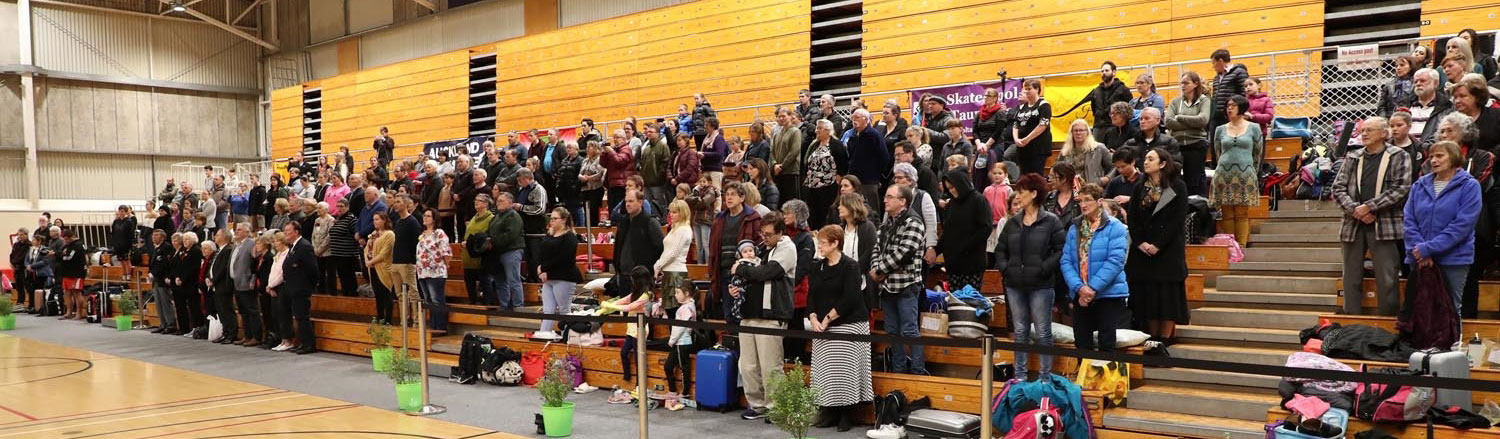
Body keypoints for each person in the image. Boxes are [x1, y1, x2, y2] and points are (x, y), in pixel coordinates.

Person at [1332, 116, 1413, 316]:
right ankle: (1351, 321)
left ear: (1384, 133)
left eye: (1369, 130)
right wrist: (1356, 211)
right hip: (1353, 225)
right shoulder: (1353, 157)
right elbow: (1337, 189)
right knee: (1350, 277)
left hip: (1384, 225)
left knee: (1387, 277)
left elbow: (1401, 189)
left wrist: (1369, 207)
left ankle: (1388, 321)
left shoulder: (1398, 155)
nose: (1364, 133)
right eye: (1362, 130)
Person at [993, 173, 1065, 380]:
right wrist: (1006, 269)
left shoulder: (1051, 221)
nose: (1017, 196)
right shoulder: (1013, 222)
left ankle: (1045, 377)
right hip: (1014, 284)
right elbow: (1000, 250)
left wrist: (1043, 268)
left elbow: (1060, 250)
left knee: (1043, 332)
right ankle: (1020, 376)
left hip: (1041, 285)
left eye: (1022, 192)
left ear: (1034, 194)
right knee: (1020, 331)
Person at [803, 224, 873, 432]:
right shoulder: (817, 267)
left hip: (849, 323)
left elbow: (850, 298)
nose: (819, 247)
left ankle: (846, 414)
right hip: (823, 326)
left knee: (845, 371)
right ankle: (829, 411)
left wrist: (827, 319)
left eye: (823, 243)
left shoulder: (850, 266)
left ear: (835, 244)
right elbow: (811, 295)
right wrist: (813, 318)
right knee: (825, 371)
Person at [1404, 140, 1482, 323]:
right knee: (1420, 308)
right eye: (1431, 156)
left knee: (1451, 308)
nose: (1433, 160)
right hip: (1419, 257)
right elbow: (1409, 220)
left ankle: (1452, 341)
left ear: (1454, 157)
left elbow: (1462, 225)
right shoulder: (1419, 185)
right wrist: (1420, 250)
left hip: (1453, 258)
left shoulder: (1470, 186)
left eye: (1439, 156)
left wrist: (1429, 248)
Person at [728, 212, 796, 421]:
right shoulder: (760, 248)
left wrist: (741, 268)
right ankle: (757, 404)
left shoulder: (787, 248)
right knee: (747, 365)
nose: (764, 238)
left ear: (780, 232)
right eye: (762, 234)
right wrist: (735, 288)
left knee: (770, 365)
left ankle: (776, 406)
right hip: (749, 313)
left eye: (768, 234)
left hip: (771, 315)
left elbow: (768, 273)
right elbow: (748, 276)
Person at [1428, 112, 1496, 319]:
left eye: (1450, 130)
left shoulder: (1482, 157)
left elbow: (1477, 186)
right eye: (1442, 131)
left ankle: (1465, 325)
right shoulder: (1430, 161)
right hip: (1436, 229)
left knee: (1467, 281)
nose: (1444, 134)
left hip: (1472, 227)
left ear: (1464, 133)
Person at [1125, 148, 1190, 347]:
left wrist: (1158, 244)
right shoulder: (1139, 187)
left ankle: (1165, 338)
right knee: (1148, 296)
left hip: (1167, 250)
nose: (1146, 162)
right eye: (1145, 158)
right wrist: (1141, 242)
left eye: (1150, 159)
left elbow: (1177, 219)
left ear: (1162, 164)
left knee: (1167, 296)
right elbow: (1133, 218)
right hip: (1143, 251)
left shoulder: (1177, 186)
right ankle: (1151, 338)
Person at [1061, 184, 1130, 353]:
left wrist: (1091, 288)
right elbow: (1066, 261)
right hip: (1080, 293)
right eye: (1080, 201)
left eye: (1087, 200)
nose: (1083, 205)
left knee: (1107, 344)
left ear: (1099, 202)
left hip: (1107, 294)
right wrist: (1079, 288)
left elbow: (1115, 261)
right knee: (1082, 344)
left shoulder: (1115, 227)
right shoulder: (1075, 227)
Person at [870, 184, 928, 375]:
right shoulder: (887, 222)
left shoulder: (914, 222)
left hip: (907, 285)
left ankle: (918, 372)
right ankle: (898, 371)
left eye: (889, 197)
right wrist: (875, 268)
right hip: (887, 286)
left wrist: (880, 269)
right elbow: (876, 248)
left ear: (903, 201)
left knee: (910, 331)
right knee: (892, 331)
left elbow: (905, 252)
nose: (884, 200)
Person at [1211, 95, 1265, 246]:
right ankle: (1231, 247)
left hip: (1245, 174)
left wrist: (1253, 171)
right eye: (1228, 105)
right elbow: (1217, 152)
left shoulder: (1254, 128)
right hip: (1223, 174)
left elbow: (1257, 153)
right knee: (1227, 214)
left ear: (1241, 107)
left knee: (1242, 214)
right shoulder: (1220, 129)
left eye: (1233, 105)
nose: (1229, 108)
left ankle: (1241, 246)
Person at [709, 182, 764, 323]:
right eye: (727, 194)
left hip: (745, 274)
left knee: (744, 316)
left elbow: (759, 245)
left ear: (742, 198)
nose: (729, 198)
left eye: (733, 194)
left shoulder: (753, 218)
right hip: (723, 272)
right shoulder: (719, 219)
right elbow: (713, 248)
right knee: (729, 315)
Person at [938, 170, 993, 290]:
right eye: (948, 188)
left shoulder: (978, 200)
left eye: (953, 187)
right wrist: (936, 249)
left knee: (969, 299)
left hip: (972, 263)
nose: (951, 191)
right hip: (953, 264)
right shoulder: (951, 205)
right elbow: (947, 232)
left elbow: (985, 228)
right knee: (955, 298)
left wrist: (964, 246)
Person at [1167, 71, 1212, 196]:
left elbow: (1203, 120)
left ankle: (1197, 204)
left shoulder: (1204, 100)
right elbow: (1168, 122)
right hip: (1177, 145)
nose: (1183, 86)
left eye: (1186, 83)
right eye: (1181, 83)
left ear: (1196, 84)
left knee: (1195, 180)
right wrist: (1193, 123)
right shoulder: (1175, 102)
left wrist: (1180, 117)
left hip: (1196, 144)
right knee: (1174, 180)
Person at [1061, 61, 1134, 135]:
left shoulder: (1123, 89)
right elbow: (1094, 109)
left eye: (1107, 70)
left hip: (1116, 127)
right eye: (1102, 71)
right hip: (1098, 127)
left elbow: (1130, 109)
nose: (1104, 73)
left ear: (1114, 72)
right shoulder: (1096, 91)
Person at [660, 280, 701, 411]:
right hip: (679, 342)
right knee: (668, 366)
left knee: (684, 368)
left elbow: (680, 327)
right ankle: (672, 390)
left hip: (682, 342)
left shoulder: (687, 308)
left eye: (678, 293)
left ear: (687, 293)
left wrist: (672, 340)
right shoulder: (685, 307)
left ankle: (685, 393)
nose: (675, 295)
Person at [279, 222, 320, 354]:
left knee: (302, 317)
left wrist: (308, 286)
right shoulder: (293, 246)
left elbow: (312, 269)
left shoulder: (304, 246)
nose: (285, 233)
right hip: (292, 287)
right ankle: (302, 342)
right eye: (285, 230)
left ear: (296, 232)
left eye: (288, 230)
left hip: (301, 288)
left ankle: (309, 344)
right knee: (297, 316)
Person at [417, 209, 453, 333]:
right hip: (423, 272)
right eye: (424, 215)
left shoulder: (438, 232)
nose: (425, 218)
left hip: (435, 271)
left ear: (434, 219)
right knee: (429, 301)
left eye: (428, 216)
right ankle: (433, 326)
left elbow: (446, 250)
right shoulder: (422, 234)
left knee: (436, 300)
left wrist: (446, 264)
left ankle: (440, 327)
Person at [489, 193, 526, 310]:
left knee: (513, 280)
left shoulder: (513, 216)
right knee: (500, 281)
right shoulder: (496, 217)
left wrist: (493, 241)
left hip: (511, 250)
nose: (498, 203)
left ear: (510, 203)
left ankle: (518, 306)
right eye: (497, 201)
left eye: (502, 201)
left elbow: (511, 235)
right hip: (498, 252)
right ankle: (504, 305)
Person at [804, 121, 843, 230]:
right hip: (812, 185)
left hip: (828, 185)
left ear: (828, 131)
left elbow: (843, 162)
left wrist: (839, 176)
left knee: (824, 212)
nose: (817, 130)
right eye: (817, 128)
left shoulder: (836, 145)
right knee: (812, 212)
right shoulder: (815, 144)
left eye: (819, 128)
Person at [655, 200, 695, 305]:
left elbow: (673, 253)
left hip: (676, 273)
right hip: (668, 272)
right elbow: (667, 251)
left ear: (682, 213)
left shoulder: (684, 229)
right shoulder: (674, 229)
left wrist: (658, 266)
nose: (671, 215)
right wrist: (659, 265)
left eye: (674, 212)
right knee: (668, 308)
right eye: (670, 212)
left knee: (673, 308)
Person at [228, 224, 261, 346]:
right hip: (236, 283)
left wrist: (251, 278)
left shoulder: (251, 243)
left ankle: (256, 336)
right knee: (243, 311)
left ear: (247, 232)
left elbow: (255, 260)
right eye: (236, 230)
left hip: (246, 282)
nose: (236, 231)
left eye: (239, 230)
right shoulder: (237, 244)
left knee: (252, 310)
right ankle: (247, 335)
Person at [848, 108, 891, 200]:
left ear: (866, 119)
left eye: (857, 117)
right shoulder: (853, 135)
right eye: (853, 117)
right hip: (854, 179)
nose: (854, 120)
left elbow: (884, 157)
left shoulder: (873, 135)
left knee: (870, 204)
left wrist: (876, 174)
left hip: (869, 180)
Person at [1449, 75, 1500, 151]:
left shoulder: (1496, 115)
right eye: (1455, 97)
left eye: (1462, 96)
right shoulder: (1451, 121)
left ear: (1477, 96)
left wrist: (1494, 153)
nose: (1457, 101)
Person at [1013, 79, 1053, 175]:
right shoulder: (1022, 107)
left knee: (1035, 175)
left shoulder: (1044, 105)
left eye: (1029, 89)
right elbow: (1015, 124)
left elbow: (1043, 125)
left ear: (1037, 89)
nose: (1026, 91)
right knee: (1024, 175)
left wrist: (1027, 139)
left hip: (1038, 148)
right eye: (1025, 89)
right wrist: (1016, 139)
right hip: (1022, 148)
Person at [1403, 68, 1451, 146]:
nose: (1418, 84)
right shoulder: (1404, 106)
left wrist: (1422, 148)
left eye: (1422, 81)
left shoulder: (1447, 107)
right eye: (1415, 81)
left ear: (1435, 83)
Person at [1060, 119, 1114, 185]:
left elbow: (1114, 166)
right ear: (1072, 133)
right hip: (1071, 187)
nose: (1078, 133)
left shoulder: (1099, 148)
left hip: (1093, 188)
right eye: (1075, 130)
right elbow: (1057, 170)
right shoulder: (1065, 151)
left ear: (1087, 132)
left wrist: (1106, 179)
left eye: (1081, 130)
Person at [365, 210, 396, 323]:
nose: (375, 222)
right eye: (374, 220)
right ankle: (380, 317)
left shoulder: (389, 234)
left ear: (384, 220)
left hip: (384, 267)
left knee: (386, 293)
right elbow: (366, 249)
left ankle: (388, 320)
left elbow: (385, 253)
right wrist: (367, 261)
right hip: (373, 267)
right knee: (378, 294)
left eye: (377, 219)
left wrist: (371, 261)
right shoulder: (374, 233)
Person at [206, 230, 237, 344]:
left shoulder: (228, 250)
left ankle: (231, 333)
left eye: (217, 235)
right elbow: (212, 266)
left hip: (223, 284)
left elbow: (223, 268)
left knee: (226, 309)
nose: (215, 236)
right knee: (220, 310)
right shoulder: (218, 250)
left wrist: (213, 280)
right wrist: (208, 277)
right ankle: (225, 332)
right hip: (216, 285)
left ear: (224, 237)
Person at [171, 232, 204, 332]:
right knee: (188, 307)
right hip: (184, 283)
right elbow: (180, 265)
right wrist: (177, 277)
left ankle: (197, 328)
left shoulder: (196, 250)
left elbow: (193, 267)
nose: (185, 241)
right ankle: (187, 328)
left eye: (187, 239)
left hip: (192, 282)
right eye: (184, 239)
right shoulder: (185, 251)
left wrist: (182, 278)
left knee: (195, 307)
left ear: (193, 240)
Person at [1211, 49, 1249, 134]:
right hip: (1217, 115)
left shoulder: (1239, 72)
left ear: (1220, 61)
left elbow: (1244, 94)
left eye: (1214, 63)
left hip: (1232, 115)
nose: (1213, 66)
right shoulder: (1216, 78)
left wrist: (1240, 111)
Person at [391, 195, 421, 302]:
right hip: (396, 261)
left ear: (405, 204)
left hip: (407, 262)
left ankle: (416, 313)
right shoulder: (398, 222)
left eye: (398, 202)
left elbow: (416, 242)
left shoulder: (412, 221)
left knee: (412, 292)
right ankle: (403, 312)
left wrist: (412, 260)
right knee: (399, 293)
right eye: (395, 202)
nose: (396, 204)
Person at [149, 231, 177, 333]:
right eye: (153, 235)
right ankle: (163, 323)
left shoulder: (166, 247)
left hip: (163, 279)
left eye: (157, 235)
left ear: (163, 237)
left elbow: (164, 264)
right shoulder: (155, 248)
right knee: (158, 302)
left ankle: (170, 324)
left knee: (165, 302)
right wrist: (150, 272)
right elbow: (152, 263)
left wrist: (154, 273)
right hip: (156, 279)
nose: (154, 237)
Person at [687, 174, 719, 264]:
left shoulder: (711, 191)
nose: (702, 183)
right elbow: (687, 199)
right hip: (696, 220)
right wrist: (697, 199)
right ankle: (699, 264)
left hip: (705, 220)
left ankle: (708, 265)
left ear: (709, 182)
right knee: (698, 246)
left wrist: (695, 201)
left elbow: (704, 203)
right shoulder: (696, 190)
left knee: (706, 245)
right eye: (700, 181)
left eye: (704, 181)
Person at [701, 117, 730, 195]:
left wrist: (704, 154)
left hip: (715, 170)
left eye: (707, 125)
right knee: (705, 193)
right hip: (706, 168)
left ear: (713, 126)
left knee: (716, 193)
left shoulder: (719, 138)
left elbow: (719, 154)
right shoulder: (706, 138)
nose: (705, 127)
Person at [110, 205, 138, 278]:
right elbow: (113, 232)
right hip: (117, 243)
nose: (120, 213)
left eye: (122, 211)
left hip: (126, 244)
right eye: (119, 211)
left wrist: (130, 244)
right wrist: (114, 242)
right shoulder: (116, 221)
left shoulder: (129, 221)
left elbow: (131, 234)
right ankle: (123, 274)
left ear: (126, 212)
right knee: (120, 260)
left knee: (126, 260)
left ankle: (128, 275)